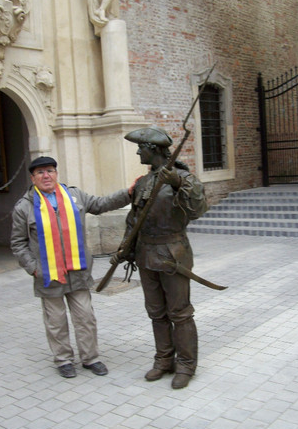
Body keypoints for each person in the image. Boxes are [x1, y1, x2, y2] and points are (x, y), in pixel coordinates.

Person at [11, 156, 133, 379]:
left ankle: (91, 358)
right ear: (33, 178)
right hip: (48, 275)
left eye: (50, 171)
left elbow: (101, 204)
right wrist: (33, 268)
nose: (46, 176)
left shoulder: (75, 196)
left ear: (56, 174)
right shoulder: (24, 207)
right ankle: (64, 360)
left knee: (85, 317)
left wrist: (128, 193)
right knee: (56, 321)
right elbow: (18, 244)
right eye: (40, 172)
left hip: (77, 271)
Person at [113, 126, 208, 389]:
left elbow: (198, 208)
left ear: (152, 149)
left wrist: (178, 183)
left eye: (140, 147)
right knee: (156, 312)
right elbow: (134, 220)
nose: (137, 151)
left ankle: (186, 364)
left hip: (172, 254)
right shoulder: (143, 182)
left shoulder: (182, 178)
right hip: (146, 254)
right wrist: (125, 249)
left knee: (180, 313)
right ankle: (164, 360)